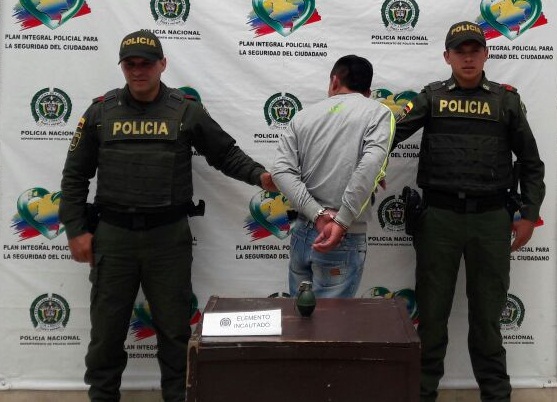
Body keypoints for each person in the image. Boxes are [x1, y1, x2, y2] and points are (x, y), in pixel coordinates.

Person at [59, 30, 277, 402]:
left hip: (168, 239)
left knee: (175, 332)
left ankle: (178, 396)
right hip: (114, 238)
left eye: (146, 63)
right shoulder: (100, 112)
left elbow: (225, 154)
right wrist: (76, 229)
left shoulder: (186, 110)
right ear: (122, 67)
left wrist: (260, 176)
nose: (138, 71)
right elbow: (75, 176)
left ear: (162, 64)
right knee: (106, 333)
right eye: (130, 64)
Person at [393, 21, 545, 402]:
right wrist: (368, 167)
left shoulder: (506, 102)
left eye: (474, 50)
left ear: (486, 54)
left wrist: (529, 215)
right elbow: (388, 136)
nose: (467, 58)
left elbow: (531, 164)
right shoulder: (431, 98)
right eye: (459, 51)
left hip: (491, 220)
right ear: (446, 57)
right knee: (431, 317)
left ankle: (496, 395)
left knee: (488, 319)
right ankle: (421, 393)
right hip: (439, 220)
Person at [271, 55, 395, 298]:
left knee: (300, 316)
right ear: (368, 92)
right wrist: (341, 222)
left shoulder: (303, 117)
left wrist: (317, 215)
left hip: (303, 232)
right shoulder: (378, 113)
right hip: (342, 236)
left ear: (335, 81)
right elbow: (370, 165)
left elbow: (281, 171)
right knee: (332, 321)